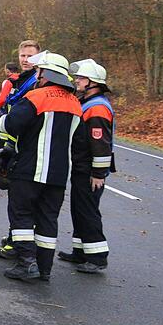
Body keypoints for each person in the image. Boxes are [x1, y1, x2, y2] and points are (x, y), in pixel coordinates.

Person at [0, 53, 83, 282]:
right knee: (48, 218)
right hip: (58, 174)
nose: (36, 75)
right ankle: (44, 268)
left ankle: (26, 263)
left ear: (46, 74)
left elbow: (12, 124)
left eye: (38, 72)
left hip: (29, 169)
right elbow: (79, 140)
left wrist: (1, 119)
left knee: (21, 214)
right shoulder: (75, 103)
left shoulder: (36, 96)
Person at [58, 59, 116, 273]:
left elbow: (100, 145)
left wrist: (98, 173)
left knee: (88, 211)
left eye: (81, 78)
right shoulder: (88, 102)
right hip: (82, 167)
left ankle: (98, 258)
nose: (77, 81)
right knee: (79, 209)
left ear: (93, 82)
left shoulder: (97, 108)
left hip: (90, 171)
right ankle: (81, 252)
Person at [0, 41, 42, 260]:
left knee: (22, 200)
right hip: (13, 143)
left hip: (25, 147)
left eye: (30, 56)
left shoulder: (35, 83)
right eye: (23, 55)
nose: (25, 60)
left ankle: (18, 244)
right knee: (16, 197)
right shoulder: (22, 80)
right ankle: (14, 236)